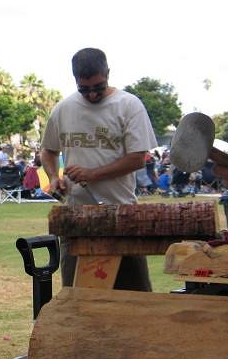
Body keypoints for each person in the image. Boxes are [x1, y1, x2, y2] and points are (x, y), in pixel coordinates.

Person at [41, 47, 157, 291]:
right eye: (84, 89)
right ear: (75, 79)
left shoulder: (129, 105)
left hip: (121, 215)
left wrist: (91, 174)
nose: (92, 95)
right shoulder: (63, 109)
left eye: (98, 87)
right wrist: (53, 177)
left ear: (108, 74)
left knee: (135, 300)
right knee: (77, 299)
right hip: (76, 219)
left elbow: (137, 159)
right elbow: (48, 151)